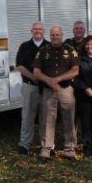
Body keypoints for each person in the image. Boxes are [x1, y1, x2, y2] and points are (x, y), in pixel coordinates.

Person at [32, 25, 80, 163]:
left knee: (69, 119)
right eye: (53, 35)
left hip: (66, 89)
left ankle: (70, 151)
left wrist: (58, 79)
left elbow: (75, 70)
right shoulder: (43, 50)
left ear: (62, 35)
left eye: (57, 34)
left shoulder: (70, 50)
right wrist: (49, 81)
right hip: (48, 90)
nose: (55, 37)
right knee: (47, 120)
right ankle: (46, 150)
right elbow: (36, 72)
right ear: (50, 36)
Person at [15, 22, 49, 155]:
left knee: (45, 117)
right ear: (31, 31)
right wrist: (34, 77)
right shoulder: (24, 46)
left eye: (40, 29)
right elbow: (19, 66)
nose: (37, 31)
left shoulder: (49, 46)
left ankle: (47, 146)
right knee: (28, 116)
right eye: (35, 29)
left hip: (46, 87)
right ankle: (25, 144)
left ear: (44, 31)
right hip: (29, 85)